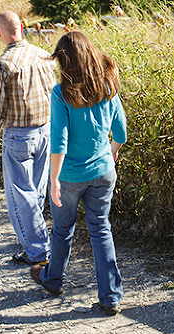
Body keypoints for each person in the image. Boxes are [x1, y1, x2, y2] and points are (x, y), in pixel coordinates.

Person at [30, 31, 127, 316]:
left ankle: (53, 280)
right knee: (100, 229)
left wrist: (53, 180)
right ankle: (111, 297)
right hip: (103, 172)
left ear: (65, 61)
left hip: (70, 176)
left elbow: (59, 141)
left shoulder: (61, 93)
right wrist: (112, 152)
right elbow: (121, 131)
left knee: (62, 229)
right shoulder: (108, 85)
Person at [0, 11, 56, 266]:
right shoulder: (44, 55)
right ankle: (36, 246)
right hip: (47, 130)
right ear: (23, 27)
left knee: (21, 197)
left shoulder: (2, 64)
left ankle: (39, 252)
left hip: (19, 136)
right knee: (36, 192)